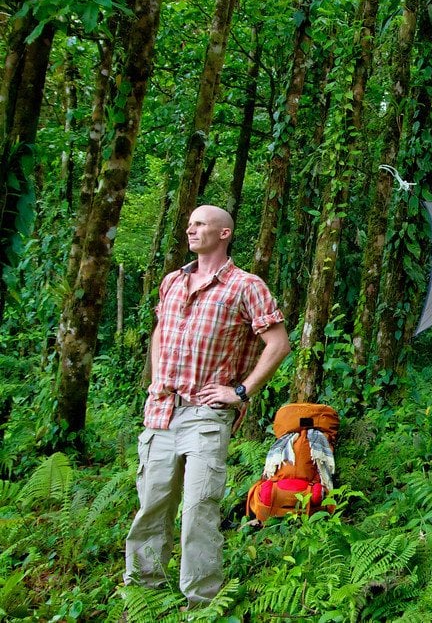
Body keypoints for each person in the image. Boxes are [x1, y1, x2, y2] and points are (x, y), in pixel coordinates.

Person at [124, 204, 291, 606]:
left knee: (199, 508)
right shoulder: (172, 282)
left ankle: (200, 602)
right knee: (151, 507)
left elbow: (278, 343)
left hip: (206, 413)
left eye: (199, 224)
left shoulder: (246, 285)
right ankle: (142, 597)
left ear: (224, 234)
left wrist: (241, 391)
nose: (190, 229)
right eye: (189, 224)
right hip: (162, 410)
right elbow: (160, 332)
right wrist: (154, 382)